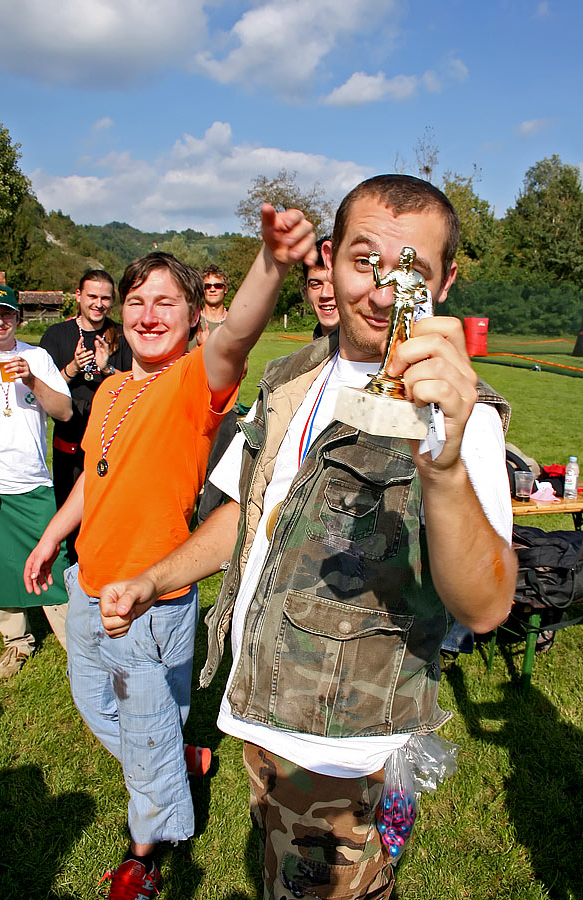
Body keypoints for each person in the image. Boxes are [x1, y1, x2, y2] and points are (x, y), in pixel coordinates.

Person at [97, 175, 518, 900]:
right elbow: (246, 513)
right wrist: (157, 579)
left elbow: (485, 606)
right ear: (331, 259)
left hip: (342, 747)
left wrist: (442, 466)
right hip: (259, 715)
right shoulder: (291, 378)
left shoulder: (462, 418)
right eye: (365, 261)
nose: (384, 292)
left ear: (443, 283)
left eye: (411, 271)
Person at [24, 206, 316, 900]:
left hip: (149, 605)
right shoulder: (113, 389)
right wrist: (51, 537)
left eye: (165, 302)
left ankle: (144, 858)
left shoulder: (192, 384)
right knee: (103, 713)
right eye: (136, 301)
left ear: (191, 316)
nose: (148, 314)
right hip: (88, 589)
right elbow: (96, 480)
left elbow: (236, 337)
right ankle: (182, 755)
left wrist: (271, 265)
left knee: (144, 734)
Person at [0, 283, 72, 677]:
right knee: (1, 564)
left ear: (18, 318)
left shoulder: (37, 356)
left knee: (56, 562)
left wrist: (33, 380)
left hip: (33, 481)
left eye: (6, 313)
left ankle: (78, 644)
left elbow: (66, 412)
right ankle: (17, 643)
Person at [40, 269, 132, 563]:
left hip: (113, 446)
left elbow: (138, 388)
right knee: (69, 523)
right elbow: (40, 391)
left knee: (108, 521)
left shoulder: (123, 335)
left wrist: (107, 370)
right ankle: (71, 585)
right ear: (78, 296)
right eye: (92, 296)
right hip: (69, 444)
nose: (99, 303)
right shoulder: (56, 336)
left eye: (105, 297)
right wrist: (71, 369)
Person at [303, 235, 339, 338]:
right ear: (306, 293)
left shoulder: (382, 350)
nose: (325, 294)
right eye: (316, 285)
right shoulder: (307, 354)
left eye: (335, 283)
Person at [196, 264, 230, 346]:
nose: (212, 289)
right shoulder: (193, 321)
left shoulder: (234, 322)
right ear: (202, 289)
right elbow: (183, 358)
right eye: (207, 286)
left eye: (217, 286)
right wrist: (200, 346)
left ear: (225, 289)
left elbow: (242, 358)